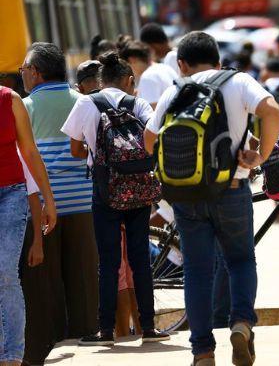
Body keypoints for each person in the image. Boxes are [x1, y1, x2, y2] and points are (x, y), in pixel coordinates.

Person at [144, 31, 279, 366]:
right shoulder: (237, 81)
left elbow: (149, 141)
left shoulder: (175, 90)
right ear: (218, 60)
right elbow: (272, 110)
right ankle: (240, 323)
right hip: (232, 190)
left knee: (197, 271)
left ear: (181, 64)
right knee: (240, 261)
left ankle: (202, 351)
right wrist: (259, 156)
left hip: (187, 196)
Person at [61, 51, 169, 346]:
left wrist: (98, 156)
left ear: (100, 80)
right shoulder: (139, 104)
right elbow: (153, 137)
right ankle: (148, 326)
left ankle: (106, 330)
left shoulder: (86, 102)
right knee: (140, 260)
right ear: (128, 81)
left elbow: (75, 149)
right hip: (138, 189)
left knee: (108, 261)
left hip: (105, 192)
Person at [20, 43, 99, 360]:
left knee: (42, 286)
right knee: (83, 280)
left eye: (24, 69)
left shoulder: (26, 107)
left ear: (36, 72)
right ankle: (86, 347)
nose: (22, 74)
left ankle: (41, 353)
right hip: (84, 204)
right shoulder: (84, 102)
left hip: (41, 209)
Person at [1, 85, 56, 366]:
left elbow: (30, 152)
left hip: (11, 193)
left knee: (5, 272)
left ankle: (10, 356)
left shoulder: (10, 100)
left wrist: (49, 200)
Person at [119, 40, 178, 108]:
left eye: (127, 65)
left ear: (132, 60)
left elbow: (152, 111)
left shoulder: (148, 76)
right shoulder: (166, 68)